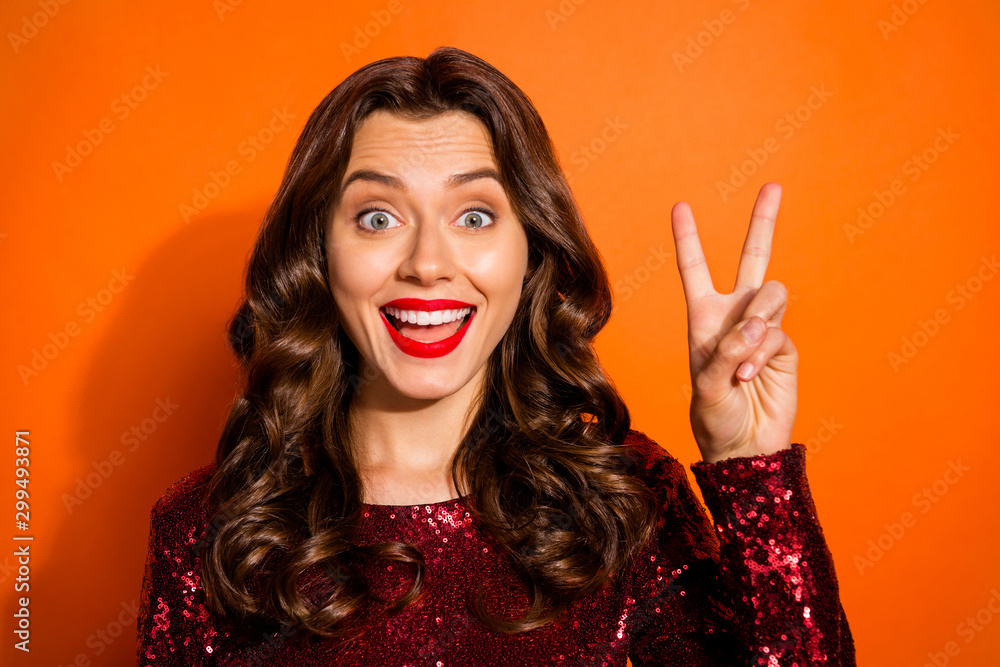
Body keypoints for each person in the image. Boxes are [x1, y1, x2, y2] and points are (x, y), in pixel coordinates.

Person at [137, 46, 856, 666]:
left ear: (531, 252)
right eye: (378, 217)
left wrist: (751, 473)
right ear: (318, 254)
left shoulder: (623, 497)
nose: (427, 263)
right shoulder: (210, 530)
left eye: (474, 215)